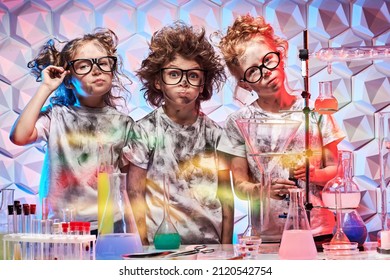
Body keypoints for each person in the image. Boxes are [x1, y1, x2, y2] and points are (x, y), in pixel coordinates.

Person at [217, 14, 345, 243]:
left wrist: (315, 175)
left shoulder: (316, 112)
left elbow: (336, 172)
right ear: (244, 83)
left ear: (281, 55)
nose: (266, 71)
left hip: (319, 233)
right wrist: (263, 190)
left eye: (269, 60)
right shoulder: (238, 122)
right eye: (253, 71)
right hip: (268, 237)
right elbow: (240, 186)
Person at [9, 28, 134, 232]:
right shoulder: (56, 117)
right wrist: (46, 87)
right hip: (61, 227)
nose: (97, 70)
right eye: (84, 65)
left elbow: (126, 187)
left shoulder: (124, 124)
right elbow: (20, 136)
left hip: (109, 226)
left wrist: (134, 237)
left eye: (103, 63)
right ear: (68, 79)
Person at [125, 21, 234, 245]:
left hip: (209, 246)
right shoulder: (144, 130)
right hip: (161, 245)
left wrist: (226, 249)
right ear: (158, 81)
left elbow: (227, 199)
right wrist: (143, 245)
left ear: (203, 84)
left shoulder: (216, 134)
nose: (184, 82)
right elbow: (135, 192)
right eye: (174, 74)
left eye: (193, 76)